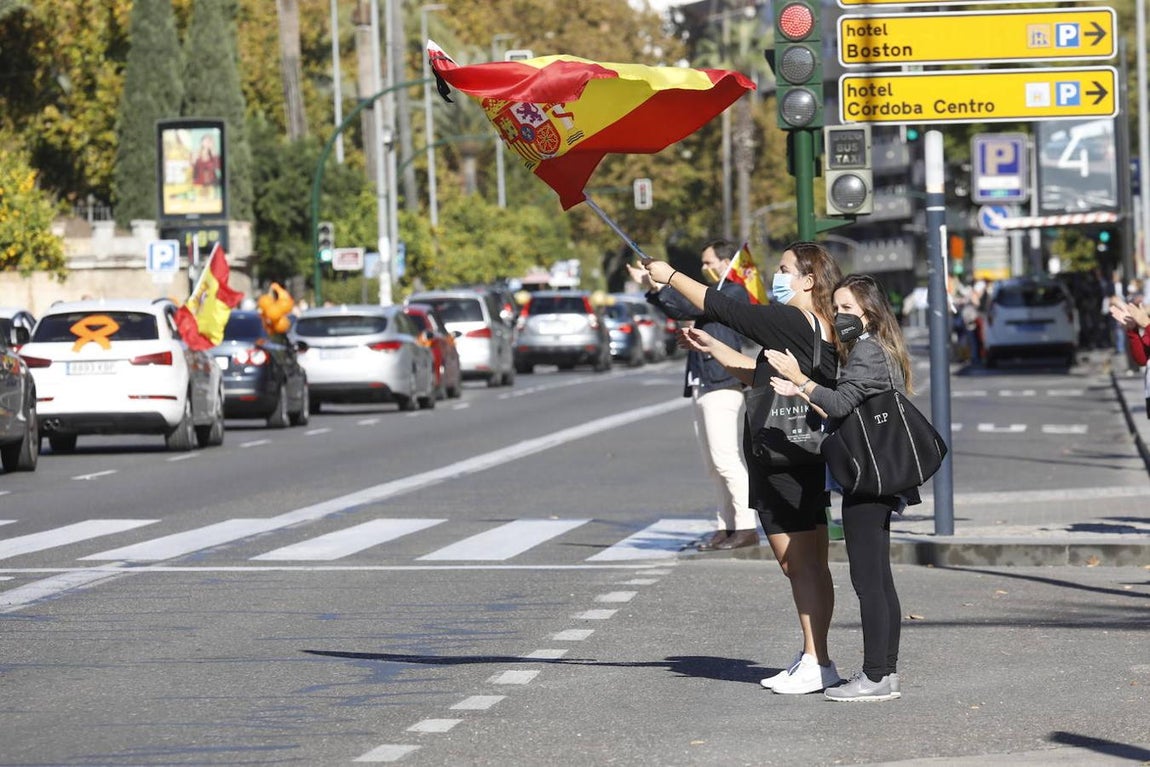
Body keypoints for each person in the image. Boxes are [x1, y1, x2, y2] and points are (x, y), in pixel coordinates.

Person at [643, 242, 843, 695]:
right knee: (813, 563)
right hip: (805, 452)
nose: (777, 275)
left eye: (785, 269)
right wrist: (714, 347)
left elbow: (723, 306)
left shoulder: (791, 320)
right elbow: (760, 377)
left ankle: (816, 660)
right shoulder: (820, 326)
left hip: (782, 456)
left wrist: (670, 276)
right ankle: (817, 656)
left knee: (799, 564)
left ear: (808, 280)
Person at [765, 273, 917, 702]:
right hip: (877, 474)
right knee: (879, 580)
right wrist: (802, 387)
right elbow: (846, 403)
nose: (840, 315)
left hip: (868, 478)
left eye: (848, 308)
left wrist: (800, 377)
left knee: (869, 581)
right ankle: (884, 673)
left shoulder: (868, 352)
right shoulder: (877, 349)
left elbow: (838, 403)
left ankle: (874, 677)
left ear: (870, 313)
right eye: (837, 307)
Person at [626, 239, 756, 551]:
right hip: (703, 383)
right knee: (713, 464)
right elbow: (679, 309)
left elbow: (689, 305)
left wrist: (658, 284)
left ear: (726, 263)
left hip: (722, 382)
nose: (704, 268)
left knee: (726, 459)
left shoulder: (733, 292)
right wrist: (655, 287)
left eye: (710, 262)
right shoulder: (715, 293)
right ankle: (726, 526)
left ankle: (747, 526)